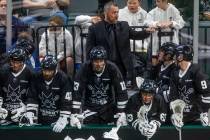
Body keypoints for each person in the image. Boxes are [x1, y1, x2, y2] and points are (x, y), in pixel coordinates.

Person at [86, 1, 153, 84]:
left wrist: (146, 31)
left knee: (121, 91)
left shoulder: (124, 25)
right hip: (103, 65)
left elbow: (136, 35)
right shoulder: (94, 28)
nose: (117, 15)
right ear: (106, 13)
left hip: (122, 65)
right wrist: (90, 67)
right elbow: (89, 49)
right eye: (114, 12)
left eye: (117, 12)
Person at [71, 46, 128, 128]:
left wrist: (121, 112)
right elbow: (77, 92)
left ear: (105, 61)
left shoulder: (113, 68)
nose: (98, 64)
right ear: (91, 61)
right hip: (89, 109)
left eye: (101, 61)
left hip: (109, 109)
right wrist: (74, 113)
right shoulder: (84, 68)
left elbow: (121, 92)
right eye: (96, 61)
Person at [21, 55, 72, 133]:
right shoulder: (36, 77)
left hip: (57, 120)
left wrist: (64, 118)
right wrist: (30, 113)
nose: (47, 73)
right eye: (45, 70)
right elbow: (32, 98)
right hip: (40, 119)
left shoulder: (63, 78)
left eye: (50, 71)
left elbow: (66, 101)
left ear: (55, 70)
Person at [169, 44, 210, 128]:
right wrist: (176, 113)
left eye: (176, 55)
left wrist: (204, 113)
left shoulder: (197, 71)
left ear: (181, 57)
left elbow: (206, 94)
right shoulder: (174, 72)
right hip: (182, 116)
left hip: (197, 117)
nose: (174, 57)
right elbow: (173, 95)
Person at [0, 48, 34, 125]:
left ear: (22, 62)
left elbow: (33, 95)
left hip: (21, 111)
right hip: (4, 112)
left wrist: (25, 108)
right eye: (12, 62)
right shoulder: (3, 71)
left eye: (17, 62)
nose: (14, 65)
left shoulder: (30, 73)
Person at [118, 0, 149, 77]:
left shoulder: (144, 13)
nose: (132, 5)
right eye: (130, 3)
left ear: (139, 3)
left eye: (134, 3)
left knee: (142, 68)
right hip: (126, 47)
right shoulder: (120, 12)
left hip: (142, 48)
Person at [150, 42, 177, 123]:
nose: (159, 53)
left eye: (161, 51)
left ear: (168, 55)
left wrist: (157, 90)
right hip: (156, 103)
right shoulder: (159, 66)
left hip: (168, 107)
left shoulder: (174, 70)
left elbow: (172, 93)